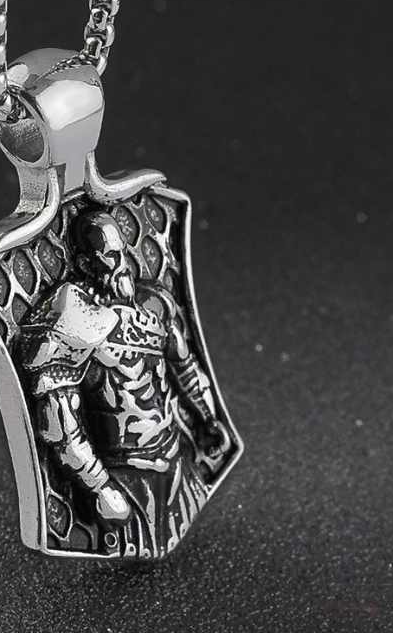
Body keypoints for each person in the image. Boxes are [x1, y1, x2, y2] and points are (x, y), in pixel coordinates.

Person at [16, 211, 231, 557]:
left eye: (124, 252)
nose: (123, 264)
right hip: (127, 479)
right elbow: (60, 424)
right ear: (84, 264)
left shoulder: (154, 306)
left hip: (178, 465)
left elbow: (185, 367)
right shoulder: (72, 317)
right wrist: (99, 486)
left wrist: (208, 416)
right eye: (111, 256)